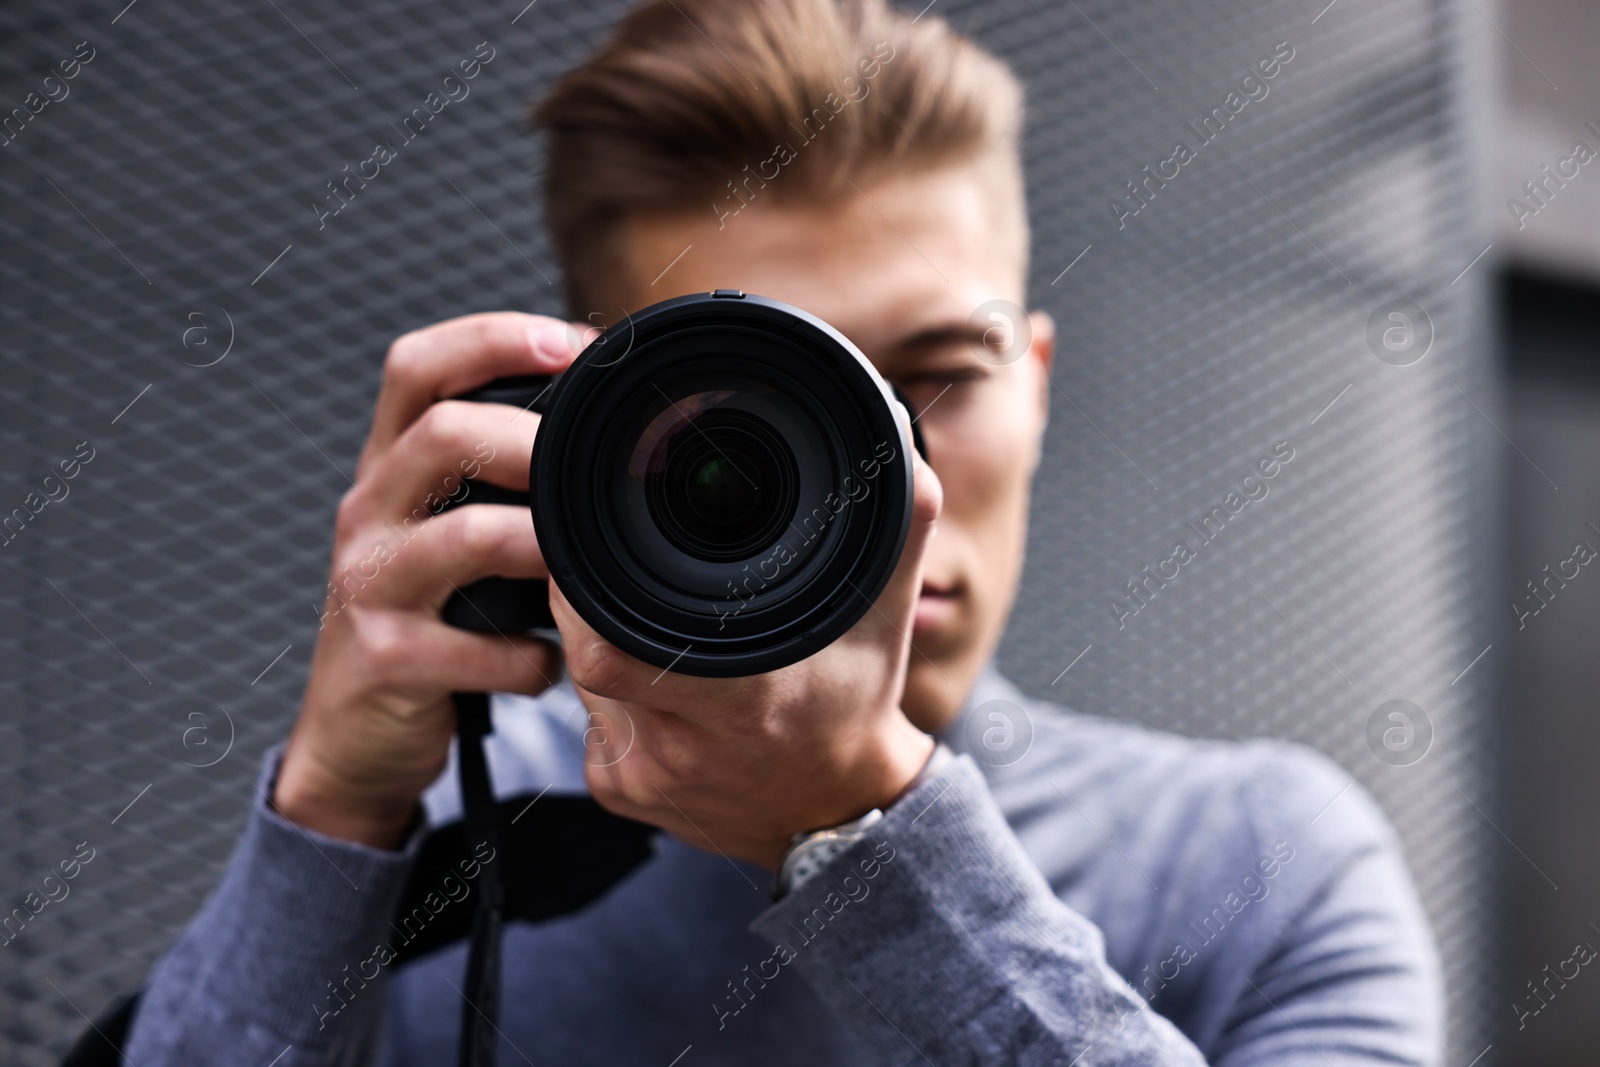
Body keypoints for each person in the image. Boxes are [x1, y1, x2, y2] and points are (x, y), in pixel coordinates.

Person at [124, 0, 1443, 1063]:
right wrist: (334, 817)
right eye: (748, 421)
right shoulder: (465, 825)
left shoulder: (1261, 865)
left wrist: (866, 828)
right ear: (586, 424)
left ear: (1036, 383)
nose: (880, 483)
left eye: (933, 379)